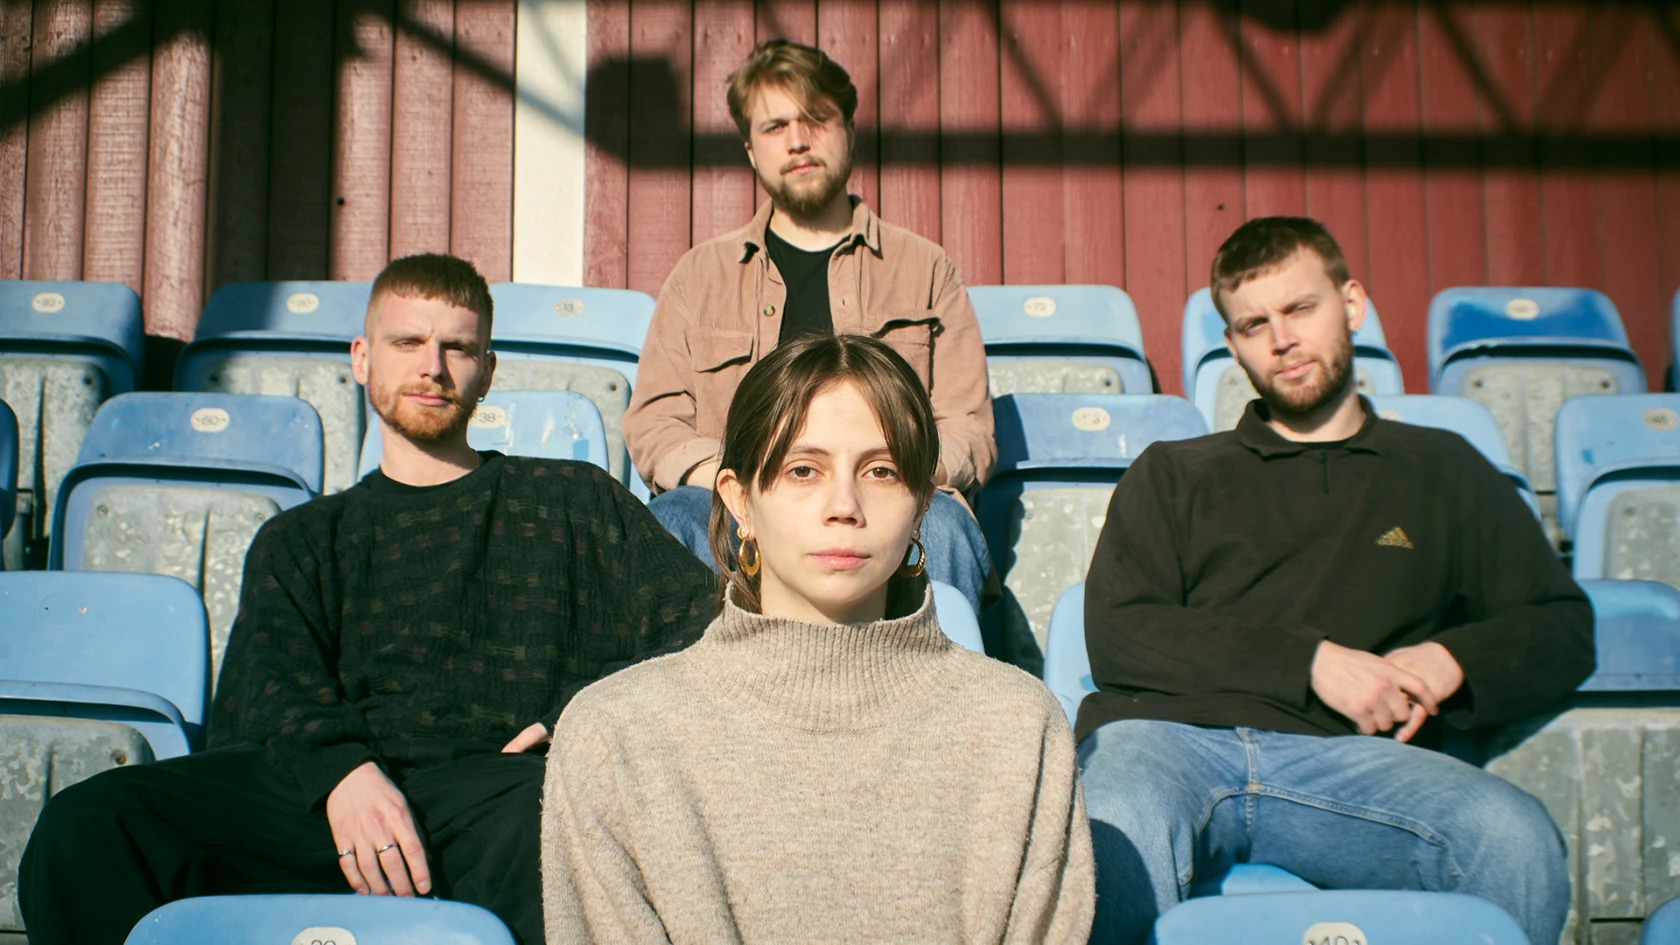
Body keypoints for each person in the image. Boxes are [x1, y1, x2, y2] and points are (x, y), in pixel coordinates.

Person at [19, 254, 716, 945]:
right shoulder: (301, 537)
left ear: (488, 370)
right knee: (85, 826)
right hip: (318, 805)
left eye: (457, 348)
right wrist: (342, 774)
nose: (432, 368)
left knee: (555, 823)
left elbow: (698, 623)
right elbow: (274, 690)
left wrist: (575, 717)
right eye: (407, 342)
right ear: (361, 358)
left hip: (493, 798)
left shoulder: (570, 500)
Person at [1076, 217, 1593, 945]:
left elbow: (1561, 624)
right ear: (1232, 345)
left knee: (1512, 837)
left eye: (1300, 309)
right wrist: (1311, 662)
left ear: (1351, 304)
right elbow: (1121, 630)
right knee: (1116, 819)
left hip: (1361, 764)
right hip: (1171, 743)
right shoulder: (1175, 471)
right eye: (1254, 324)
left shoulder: (1442, 468)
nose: (1281, 339)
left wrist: (1453, 659)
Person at [543, 334, 1093, 943]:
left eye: (881, 471)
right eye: (803, 470)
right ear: (740, 501)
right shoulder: (616, 736)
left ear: (920, 509)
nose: (844, 505)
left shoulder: (1019, 729)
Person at [624, 39, 996, 619]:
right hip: (738, 502)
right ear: (751, 150)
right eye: (775, 127)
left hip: (879, 498)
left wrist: (891, 477)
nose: (798, 140)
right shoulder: (701, 275)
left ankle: (936, 678)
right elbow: (655, 422)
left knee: (942, 522)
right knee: (672, 520)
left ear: (849, 131)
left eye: (816, 119)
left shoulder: (924, 269)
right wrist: (743, 487)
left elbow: (968, 427)